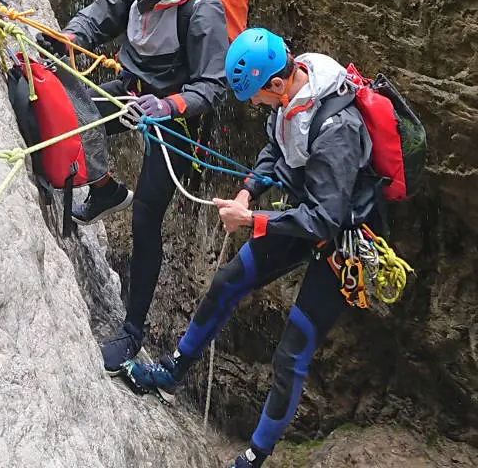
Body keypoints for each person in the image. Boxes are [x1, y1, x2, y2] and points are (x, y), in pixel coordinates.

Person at [122, 27, 380, 468]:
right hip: (303, 211)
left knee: (293, 348)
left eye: (258, 96)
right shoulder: (293, 96)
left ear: (276, 83)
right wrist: (247, 192)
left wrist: (252, 220)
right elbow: (275, 149)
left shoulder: (337, 128)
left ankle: (254, 456)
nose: (256, 104)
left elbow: (327, 217)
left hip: (346, 235)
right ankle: (172, 373)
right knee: (229, 280)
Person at [37, 0, 229, 373]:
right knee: (74, 110)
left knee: (145, 216)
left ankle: (131, 332)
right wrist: (69, 38)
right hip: (133, 89)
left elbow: (215, 87)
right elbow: (95, 16)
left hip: (179, 122)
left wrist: (167, 107)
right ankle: (103, 187)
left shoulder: (203, 12)